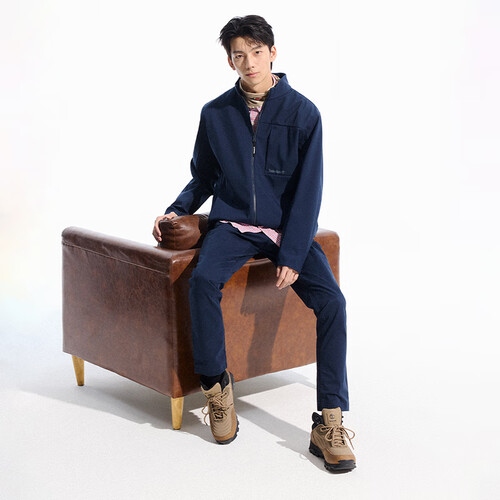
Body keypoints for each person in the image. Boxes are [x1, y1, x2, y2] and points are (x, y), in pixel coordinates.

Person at [153, 15, 356, 473]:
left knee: (333, 303)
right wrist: (176, 209)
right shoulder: (216, 113)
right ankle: (216, 388)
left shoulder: (304, 113)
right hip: (232, 225)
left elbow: (309, 190)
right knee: (202, 281)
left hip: (287, 229)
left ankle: (330, 421)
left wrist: (293, 251)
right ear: (230, 60)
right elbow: (204, 177)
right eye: (239, 55)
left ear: (272, 53)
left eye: (256, 52)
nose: (249, 62)